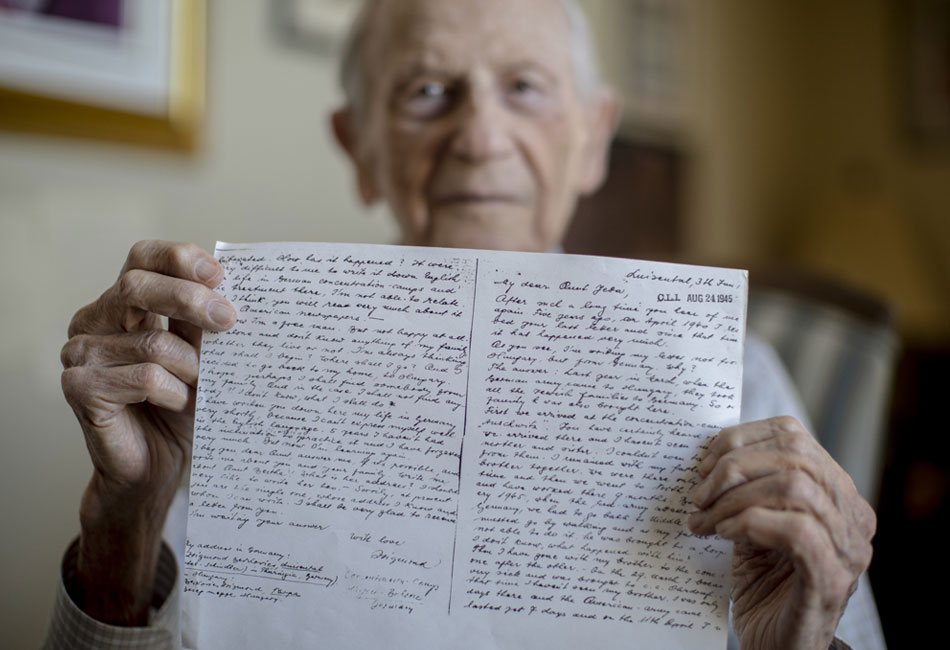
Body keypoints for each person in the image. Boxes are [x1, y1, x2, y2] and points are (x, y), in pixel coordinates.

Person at [43, 1, 884, 648]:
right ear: (358, 147)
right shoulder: (223, 369)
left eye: (524, 87)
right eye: (427, 92)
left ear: (593, 140)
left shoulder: (741, 379)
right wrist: (123, 522)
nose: (480, 137)